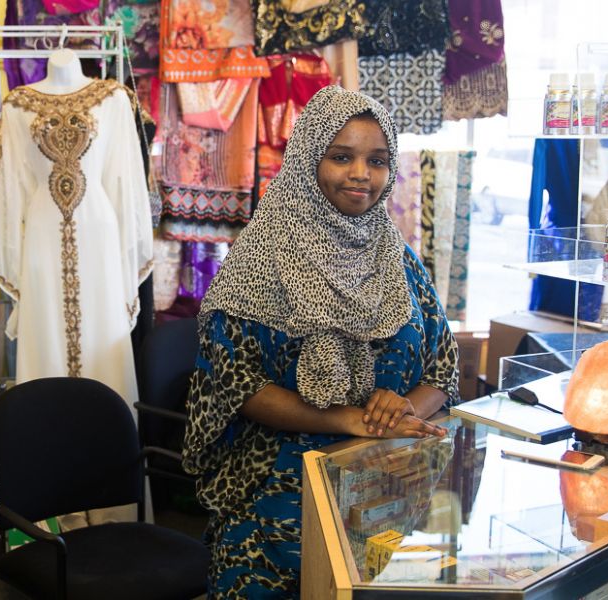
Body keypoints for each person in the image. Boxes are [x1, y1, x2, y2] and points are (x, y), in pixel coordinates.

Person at [182, 85, 460, 597]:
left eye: (377, 160)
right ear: (310, 156)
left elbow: (442, 367)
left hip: (381, 496)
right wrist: (344, 418)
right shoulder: (260, 258)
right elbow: (238, 384)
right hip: (275, 507)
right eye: (341, 156)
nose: (361, 173)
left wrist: (398, 409)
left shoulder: (398, 261)